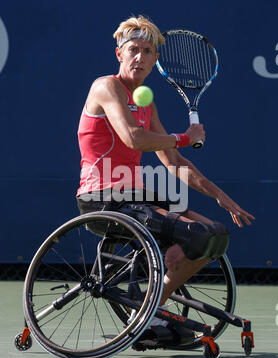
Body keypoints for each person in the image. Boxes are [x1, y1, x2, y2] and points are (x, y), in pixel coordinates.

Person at [76, 15, 255, 332]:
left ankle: (152, 302)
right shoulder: (106, 87)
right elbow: (133, 138)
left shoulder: (147, 106)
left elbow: (174, 163)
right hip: (103, 198)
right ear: (120, 54)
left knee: (214, 235)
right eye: (133, 50)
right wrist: (185, 137)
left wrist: (220, 196)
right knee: (197, 236)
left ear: (155, 59)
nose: (139, 58)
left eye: (147, 52)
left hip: (136, 197)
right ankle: (147, 312)